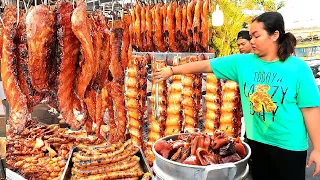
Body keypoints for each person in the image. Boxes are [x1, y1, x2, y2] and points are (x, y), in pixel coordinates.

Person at [154, 12, 320, 180]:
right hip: (255, 143)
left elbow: (310, 109)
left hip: (289, 147)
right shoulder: (243, 63)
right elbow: (205, 65)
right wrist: (173, 70)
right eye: (251, 36)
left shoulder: (298, 68)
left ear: (275, 35)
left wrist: (318, 148)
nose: (252, 41)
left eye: (257, 36)